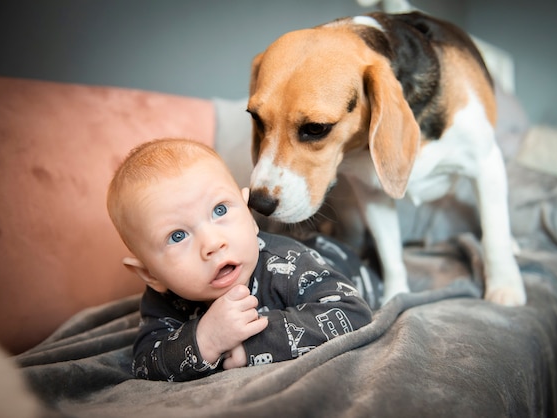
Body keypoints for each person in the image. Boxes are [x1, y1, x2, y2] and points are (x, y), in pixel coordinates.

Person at [107, 138, 381, 382]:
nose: (213, 244)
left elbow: (353, 312)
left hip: (342, 265)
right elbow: (145, 362)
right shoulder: (164, 299)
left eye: (220, 210)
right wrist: (205, 339)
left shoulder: (288, 265)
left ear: (250, 217)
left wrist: (255, 342)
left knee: (341, 252)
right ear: (151, 275)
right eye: (178, 236)